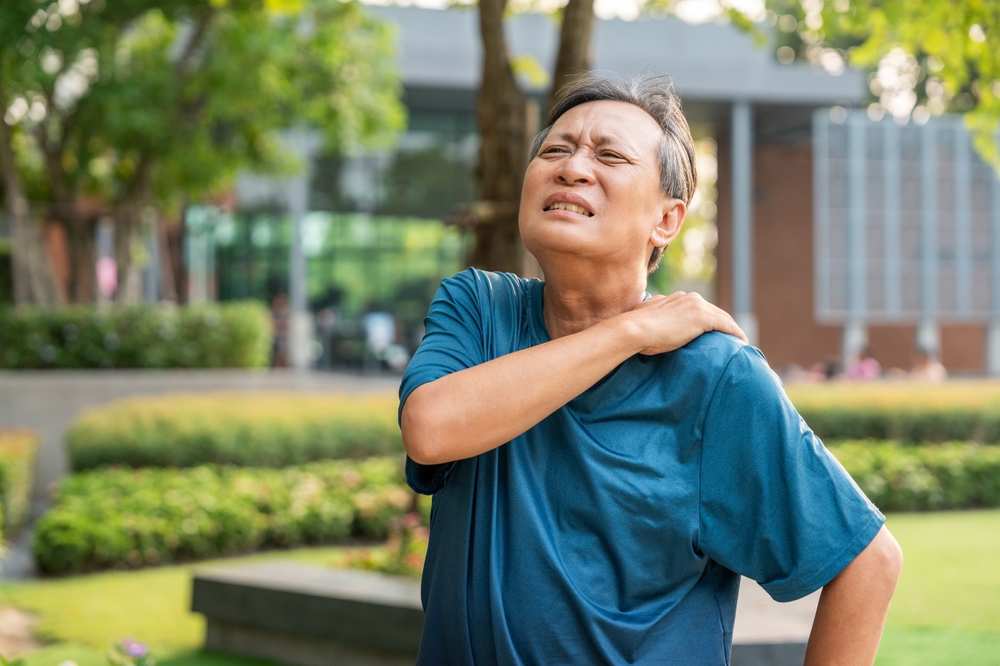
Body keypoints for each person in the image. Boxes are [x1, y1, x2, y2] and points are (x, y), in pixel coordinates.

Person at [400, 76, 902, 665]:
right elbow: (431, 429)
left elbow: (869, 563)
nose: (572, 168)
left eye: (609, 156)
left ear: (667, 220)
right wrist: (629, 332)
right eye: (556, 149)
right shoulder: (479, 309)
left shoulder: (714, 375)